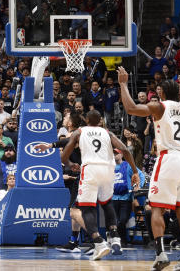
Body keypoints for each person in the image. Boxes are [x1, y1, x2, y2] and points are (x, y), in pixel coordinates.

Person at [118, 60, 180, 271]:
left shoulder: (159, 106)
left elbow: (131, 108)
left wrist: (123, 84)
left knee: (156, 208)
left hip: (168, 159)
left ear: (162, 94)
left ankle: (161, 254)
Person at [60, 109, 139, 260]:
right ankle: (114, 236)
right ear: (100, 121)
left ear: (87, 120)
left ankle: (98, 241)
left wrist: (71, 164)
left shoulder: (79, 132)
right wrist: (134, 171)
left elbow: (64, 156)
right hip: (108, 169)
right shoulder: (107, 133)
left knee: (87, 208)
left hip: (90, 168)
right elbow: (124, 149)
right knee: (107, 202)